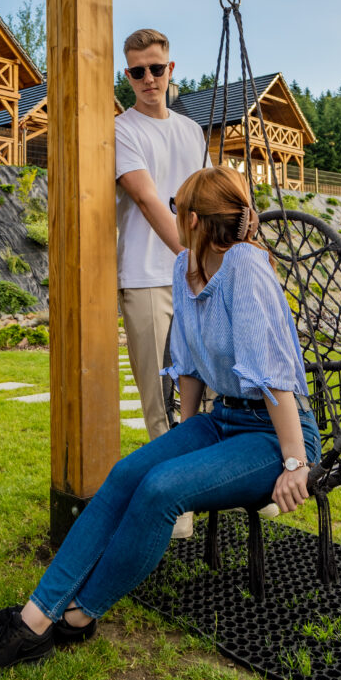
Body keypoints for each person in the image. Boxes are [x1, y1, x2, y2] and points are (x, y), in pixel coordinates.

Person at [0, 165, 322, 680]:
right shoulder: (184, 267)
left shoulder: (246, 266)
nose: (172, 215)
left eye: (175, 207)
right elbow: (191, 363)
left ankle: (81, 613)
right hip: (223, 422)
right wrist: (185, 435)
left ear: (193, 218)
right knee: (127, 474)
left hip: (275, 433)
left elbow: (275, 379)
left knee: (159, 490)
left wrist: (295, 463)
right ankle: (33, 622)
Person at [115, 29, 207, 510]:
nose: (148, 78)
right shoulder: (122, 129)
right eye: (137, 71)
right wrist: (189, 260)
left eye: (156, 68)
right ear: (127, 75)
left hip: (197, 275)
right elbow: (148, 199)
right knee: (159, 401)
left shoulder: (192, 132)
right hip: (148, 275)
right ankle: (175, 510)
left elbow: (205, 199)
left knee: (207, 392)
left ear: (171, 70)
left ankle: (206, 487)